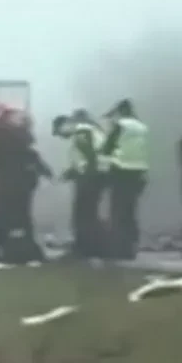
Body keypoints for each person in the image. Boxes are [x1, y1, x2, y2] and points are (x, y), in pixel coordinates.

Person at [0, 107, 51, 254]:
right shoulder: (20, 136)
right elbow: (31, 154)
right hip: (24, 181)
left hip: (4, 180)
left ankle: (3, 243)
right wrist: (44, 171)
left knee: (3, 212)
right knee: (23, 213)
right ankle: (26, 242)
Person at [52, 110, 108, 258]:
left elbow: (90, 156)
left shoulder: (82, 131)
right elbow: (85, 157)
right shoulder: (90, 129)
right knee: (88, 213)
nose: (61, 136)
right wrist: (70, 172)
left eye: (59, 132)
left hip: (91, 177)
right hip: (97, 175)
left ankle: (84, 248)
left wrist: (85, 176)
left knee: (83, 214)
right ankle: (91, 246)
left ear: (65, 124)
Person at [101, 98, 150, 260]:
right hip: (138, 173)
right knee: (131, 211)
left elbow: (106, 149)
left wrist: (109, 126)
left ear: (120, 112)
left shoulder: (120, 126)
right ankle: (131, 247)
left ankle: (119, 249)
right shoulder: (142, 127)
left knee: (118, 211)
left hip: (121, 172)